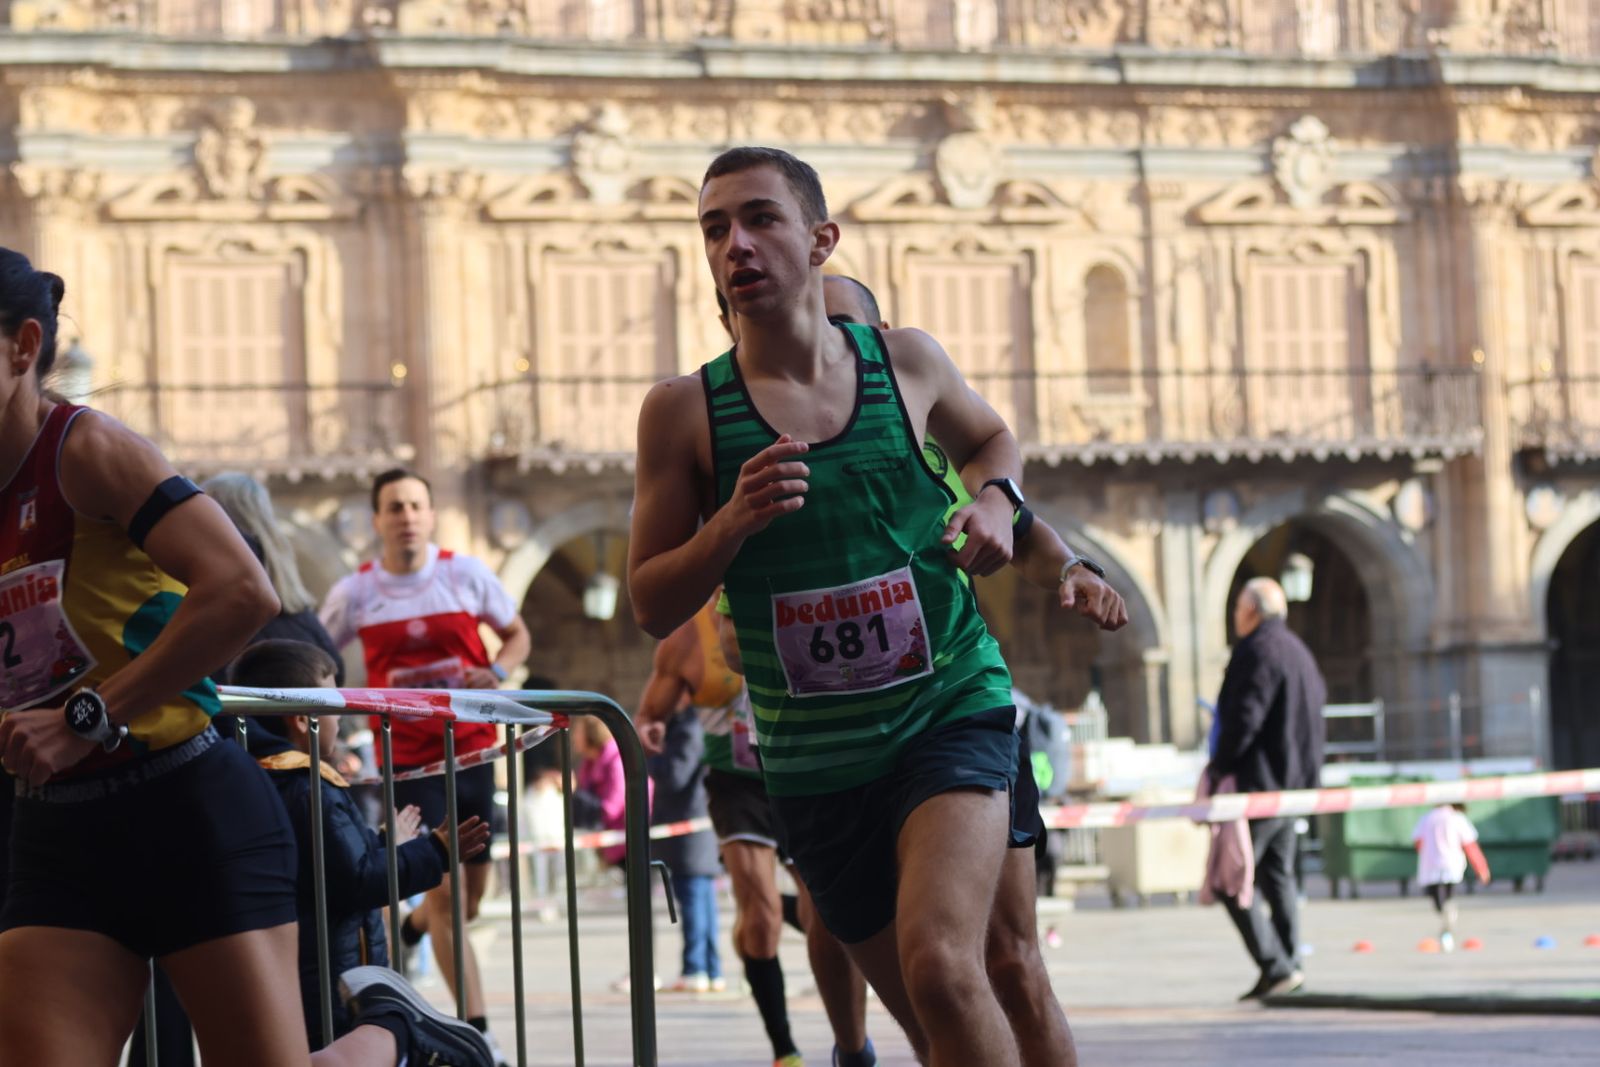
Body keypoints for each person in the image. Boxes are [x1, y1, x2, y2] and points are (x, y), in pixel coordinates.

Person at [631, 145, 1073, 1067]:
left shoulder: (905, 362)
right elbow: (648, 597)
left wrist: (998, 501)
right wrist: (730, 527)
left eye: (759, 219)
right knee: (929, 1013)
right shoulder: (683, 414)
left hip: (946, 704)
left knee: (955, 966)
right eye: (715, 228)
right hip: (813, 756)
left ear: (821, 238)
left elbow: (991, 439)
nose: (735, 244)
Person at [0, 246, 491, 1067]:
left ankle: (398, 1036)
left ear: (21, 349)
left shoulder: (84, 450)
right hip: (58, 830)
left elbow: (242, 591)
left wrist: (88, 715)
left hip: (188, 807)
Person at [321, 468, 530, 1065]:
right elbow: (318, 656)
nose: (406, 515)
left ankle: (411, 931)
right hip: (410, 765)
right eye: (394, 507)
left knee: (467, 900)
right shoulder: (356, 592)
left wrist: (500, 671)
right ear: (378, 520)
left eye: (416, 504)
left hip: (473, 751)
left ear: (431, 515)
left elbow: (517, 637)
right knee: (446, 893)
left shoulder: (464, 574)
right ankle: (479, 1033)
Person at [233, 638, 491, 1048]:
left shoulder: (266, 779)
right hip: (332, 980)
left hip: (306, 972)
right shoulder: (308, 789)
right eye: (335, 699)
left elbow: (332, 862)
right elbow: (356, 882)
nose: (342, 713)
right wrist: (436, 852)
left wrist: (387, 844)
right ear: (304, 718)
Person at [635, 595, 802, 1066]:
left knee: (826, 919)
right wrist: (649, 728)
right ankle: (784, 1049)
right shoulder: (687, 636)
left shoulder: (792, 594)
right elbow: (649, 713)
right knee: (763, 915)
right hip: (735, 785)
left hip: (802, 773)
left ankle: (850, 1046)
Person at [1208, 576, 1327, 999]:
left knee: (1230, 879)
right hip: (1295, 788)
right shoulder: (1298, 651)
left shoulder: (1256, 651)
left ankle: (1275, 964)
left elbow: (1245, 718)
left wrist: (1219, 765)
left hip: (1259, 787)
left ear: (1251, 612)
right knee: (1277, 877)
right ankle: (1288, 965)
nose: (1236, 617)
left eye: (1238, 609)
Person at [645, 701, 724, 994]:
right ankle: (710, 969)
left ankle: (696, 969)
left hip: (688, 831)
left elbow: (675, 775)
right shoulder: (690, 725)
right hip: (692, 829)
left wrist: (650, 755)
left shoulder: (688, 728)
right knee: (702, 902)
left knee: (693, 901)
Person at [1413, 803, 1491, 953]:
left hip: (1430, 866)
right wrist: (1481, 868)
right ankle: (1448, 916)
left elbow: (1418, 842)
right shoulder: (1458, 819)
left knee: (1437, 899)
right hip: (1451, 864)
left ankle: (1445, 917)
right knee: (1448, 896)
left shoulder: (1426, 819)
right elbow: (1470, 845)